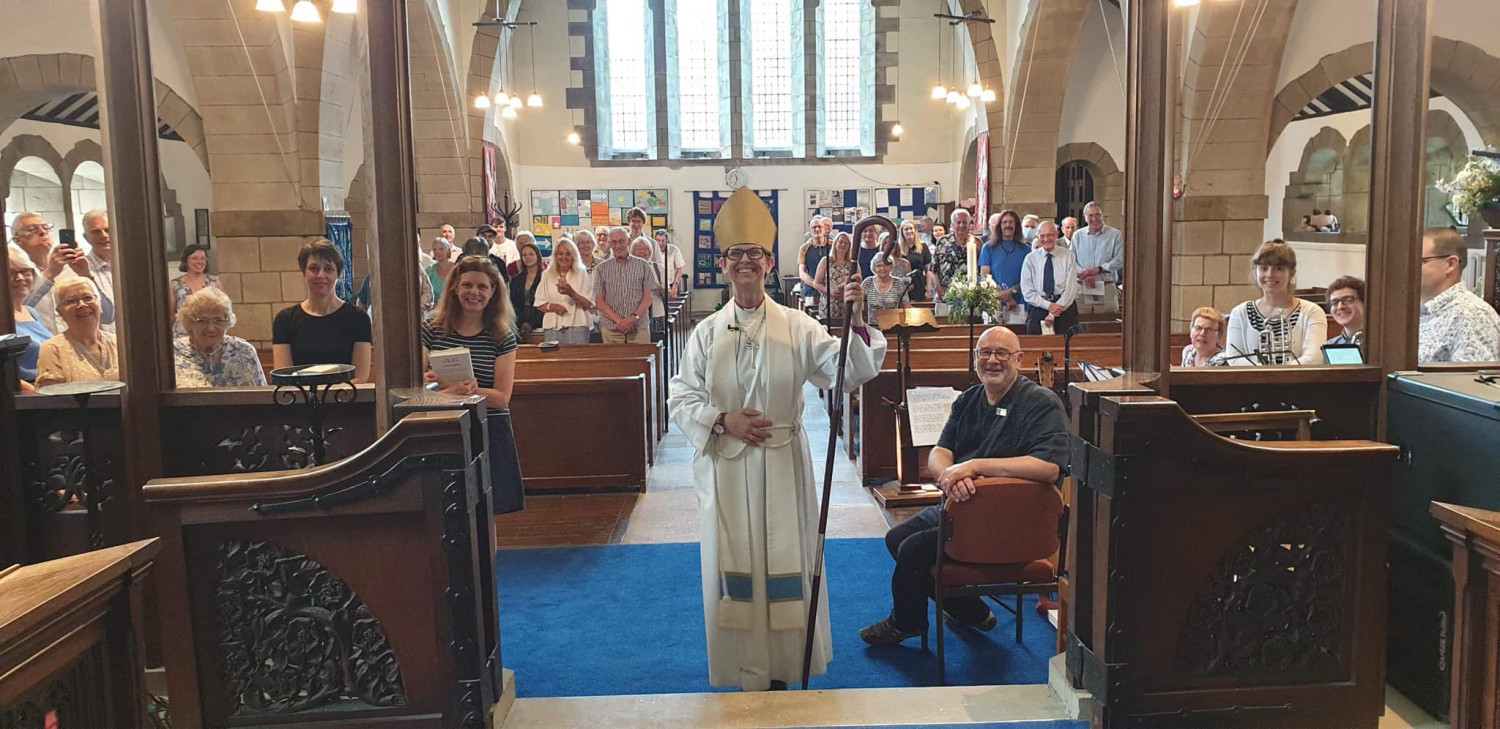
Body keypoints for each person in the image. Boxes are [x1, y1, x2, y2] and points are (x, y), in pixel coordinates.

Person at [667, 187, 888, 691]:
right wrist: (725, 419)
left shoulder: (797, 325)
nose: (746, 262)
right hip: (727, 468)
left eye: (755, 254)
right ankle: (745, 668)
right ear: (723, 265)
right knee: (736, 562)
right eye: (735, 255)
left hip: (784, 466)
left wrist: (859, 318)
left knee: (786, 559)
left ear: (768, 262)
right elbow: (680, 397)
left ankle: (786, 668)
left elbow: (843, 370)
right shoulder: (705, 332)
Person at [861, 326, 1068, 646]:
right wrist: (949, 476)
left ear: (1020, 359)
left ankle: (907, 623)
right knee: (896, 537)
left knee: (912, 551)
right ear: (975, 359)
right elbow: (939, 452)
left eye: (1002, 353)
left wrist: (974, 467)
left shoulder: (1040, 402)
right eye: (985, 353)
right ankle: (970, 611)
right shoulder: (970, 398)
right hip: (962, 508)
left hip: (1012, 521)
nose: (992, 360)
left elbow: (1048, 467)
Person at [422, 255, 524, 514]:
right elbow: (413, 384)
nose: (474, 292)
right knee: (444, 509)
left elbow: (502, 397)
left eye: (482, 287)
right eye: (467, 285)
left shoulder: (502, 336)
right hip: (440, 427)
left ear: (493, 293)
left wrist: (465, 392)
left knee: (486, 512)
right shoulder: (432, 328)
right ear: (455, 287)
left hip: (488, 427)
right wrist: (442, 391)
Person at [272, 239, 374, 381]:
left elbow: (360, 377)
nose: (321, 275)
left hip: (345, 400)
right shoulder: (285, 320)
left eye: (328, 269)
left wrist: (327, 396)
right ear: (304, 273)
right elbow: (285, 377)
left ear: (338, 274)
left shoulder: (358, 319)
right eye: (314, 268)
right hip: (300, 401)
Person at [1224, 240, 1327, 365]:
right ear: (1255, 272)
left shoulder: (1312, 312)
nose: (1270, 274)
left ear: (1291, 273)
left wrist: (1278, 374)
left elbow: (1314, 358)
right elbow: (1234, 358)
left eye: (1278, 268)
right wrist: (1266, 375)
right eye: (1263, 268)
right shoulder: (1240, 313)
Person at [12, 211, 115, 333]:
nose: (42, 232)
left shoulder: (71, 269)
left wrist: (86, 276)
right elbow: (17, 311)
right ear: (18, 240)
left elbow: (107, 316)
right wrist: (49, 274)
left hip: (78, 347)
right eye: (32, 229)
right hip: (41, 347)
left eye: (46, 227)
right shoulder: (18, 275)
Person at [1418, 227, 1500, 362]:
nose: (1407, 265)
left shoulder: (1471, 314)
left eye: (1421, 261)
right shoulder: (1417, 310)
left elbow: (1470, 381)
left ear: (1450, 264)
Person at [173, 288, 267, 388]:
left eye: (218, 320)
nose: (211, 328)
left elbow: (263, 396)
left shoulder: (245, 351)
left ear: (227, 322)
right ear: (189, 322)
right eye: (203, 321)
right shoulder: (173, 353)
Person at [34, 278, 119, 387]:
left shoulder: (119, 344)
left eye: (87, 298)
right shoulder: (52, 349)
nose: (82, 305)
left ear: (100, 305)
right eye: (71, 301)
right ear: (60, 312)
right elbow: (51, 401)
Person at [593, 227, 659, 344]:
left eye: (621, 241)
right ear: (610, 244)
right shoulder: (601, 269)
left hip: (639, 328)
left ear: (628, 241)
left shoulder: (643, 265)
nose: (618, 245)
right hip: (612, 329)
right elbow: (599, 301)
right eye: (614, 242)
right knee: (614, 362)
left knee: (641, 362)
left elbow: (648, 297)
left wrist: (633, 318)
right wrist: (620, 321)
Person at [1020, 221, 1080, 335]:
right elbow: (1027, 291)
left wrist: (1053, 312)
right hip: (1039, 307)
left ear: (1056, 235)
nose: (1046, 239)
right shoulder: (1030, 259)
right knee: (1037, 348)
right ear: (1038, 237)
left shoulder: (1068, 256)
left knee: (1068, 348)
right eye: (1042, 236)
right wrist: (1049, 306)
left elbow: (1070, 290)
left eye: (1050, 235)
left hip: (1064, 309)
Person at [535, 237, 594, 344]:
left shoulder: (581, 273)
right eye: (560, 254)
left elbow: (588, 304)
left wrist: (571, 293)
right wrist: (553, 307)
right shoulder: (547, 275)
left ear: (573, 256)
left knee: (577, 359)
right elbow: (539, 303)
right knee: (554, 359)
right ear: (555, 256)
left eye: (568, 254)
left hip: (577, 325)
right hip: (553, 326)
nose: (564, 257)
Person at [1070, 202, 1126, 314]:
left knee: (1108, 324)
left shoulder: (1115, 235)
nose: (1094, 218)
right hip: (1082, 288)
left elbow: (1120, 259)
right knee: (1080, 325)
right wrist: (1084, 274)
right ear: (1085, 217)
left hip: (1106, 287)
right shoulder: (1077, 236)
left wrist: (1098, 269)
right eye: (1090, 215)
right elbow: (1071, 260)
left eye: (1097, 214)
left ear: (1102, 215)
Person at [8, 248, 51, 390]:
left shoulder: (32, 312)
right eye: (11, 273)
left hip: (51, 389)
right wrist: (36, 394)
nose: (20, 278)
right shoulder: (3, 319)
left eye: (25, 271)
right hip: (27, 398)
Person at [979, 209, 1029, 327]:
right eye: (1004, 222)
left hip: (1018, 302)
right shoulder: (988, 248)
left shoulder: (1026, 249)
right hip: (993, 301)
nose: (1008, 225)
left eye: (1011, 222)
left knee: (1015, 339)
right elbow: (985, 276)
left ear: (1016, 225)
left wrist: (1011, 292)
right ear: (999, 226)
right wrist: (1006, 298)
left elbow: (1029, 278)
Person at [169, 244, 220, 336]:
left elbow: (222, 310)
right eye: (195, 258)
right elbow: (171, 315)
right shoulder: (174, 285)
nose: (199, 261)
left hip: (208, 335)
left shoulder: (215, 282)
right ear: (186, 261)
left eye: (203, 258)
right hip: (182, 336)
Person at [814, 231, 857, 323]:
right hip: (829, 303)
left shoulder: (852, 263)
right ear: (835, 243)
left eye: (846, 243)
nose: (843, 244)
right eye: (840, 242)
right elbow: (816, 283)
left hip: (847, 303)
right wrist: (830, 292)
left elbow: (858, 282)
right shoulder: (826, 261)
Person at [932, 209, 976, 299]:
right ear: (952, 225)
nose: (962, 225)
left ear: (969, 225)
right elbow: (934, 268)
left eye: (965, 222)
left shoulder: (976, 243)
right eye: (958, 222)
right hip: (945, 293)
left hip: (969, 296)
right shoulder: (943, 241)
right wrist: (939, 289)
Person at [650, 228, 686, 329]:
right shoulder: (651, 251)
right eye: (658, 240)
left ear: (667, 240)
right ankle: (659, 327)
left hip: (669, 283)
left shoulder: (674, 250)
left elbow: (679, 269)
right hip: (656, 285)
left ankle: (666, 325)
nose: (661, 243)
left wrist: (675, 285)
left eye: (663, 241)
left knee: (667, 306)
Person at [509, 239, 546, 335]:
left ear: (537, 256)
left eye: (531, 254)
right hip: (520, 323)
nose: (528, 257)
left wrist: (532, 324)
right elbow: (514, 305)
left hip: (541, 322)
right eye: (524, 255)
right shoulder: (516, 280)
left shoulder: (545, 277)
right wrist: (522, 323)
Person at [798, 216, 832, 311]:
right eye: (814, 227)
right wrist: (816, 285)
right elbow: (802, 273)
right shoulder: (804, 248)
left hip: (831, 291)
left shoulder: (834, 246)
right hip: (811, 292)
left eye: (820, 227)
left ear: (824, 229)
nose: (817, 229)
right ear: (810, 230)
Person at [1325, 275, 1366, 347]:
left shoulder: (1383, 345)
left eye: (1348, 300)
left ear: (1364, 303)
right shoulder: (1330, 346)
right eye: (1335, 302)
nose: (1340, 306)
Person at [897, 220, 932, 302]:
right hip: (903, 285)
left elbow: (928, 271)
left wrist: (928, 290)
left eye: (911, 228)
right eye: (906, 229)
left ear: (915, 230)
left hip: (919, 285)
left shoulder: (923, 246)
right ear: (902, 232)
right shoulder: (897, 248)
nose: (909, 231)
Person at [427, 237, 456, 303]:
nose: (437, 252)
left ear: (448, 250)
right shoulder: (429, 271)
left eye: (441, 249)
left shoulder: (457, 268)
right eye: (435, 250)